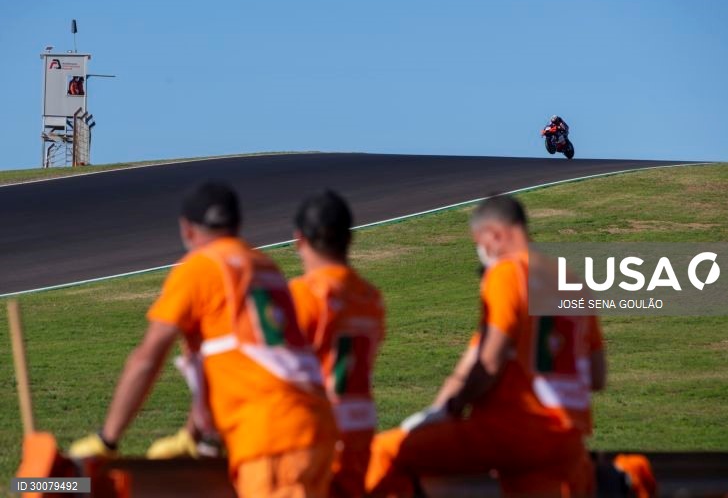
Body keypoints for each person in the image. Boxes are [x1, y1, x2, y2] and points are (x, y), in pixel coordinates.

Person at [69, 182, 338, 498]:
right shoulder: (266, 268)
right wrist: (195, 436)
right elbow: (235, 357)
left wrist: (107, 440)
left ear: (187, 229)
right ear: (238, 225)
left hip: (271, 441)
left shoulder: (201, 267)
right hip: (316, 429)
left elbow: (148, 357)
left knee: (44, 484)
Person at [365, 195, 606, 497]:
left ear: (495, 234)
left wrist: (453, 406)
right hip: (567, 442)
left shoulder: (507, 272)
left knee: (386, 451)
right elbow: (597, 377)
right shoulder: (572, 280)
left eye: (480, 241)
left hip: (514, 431)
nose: (483, 252)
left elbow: (487, 364)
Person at [289, 190, 385, 498]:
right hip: (358, 433)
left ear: (299, 240)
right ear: (348, 238)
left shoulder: (303, 296)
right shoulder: (371, 299)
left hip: (313, 439)